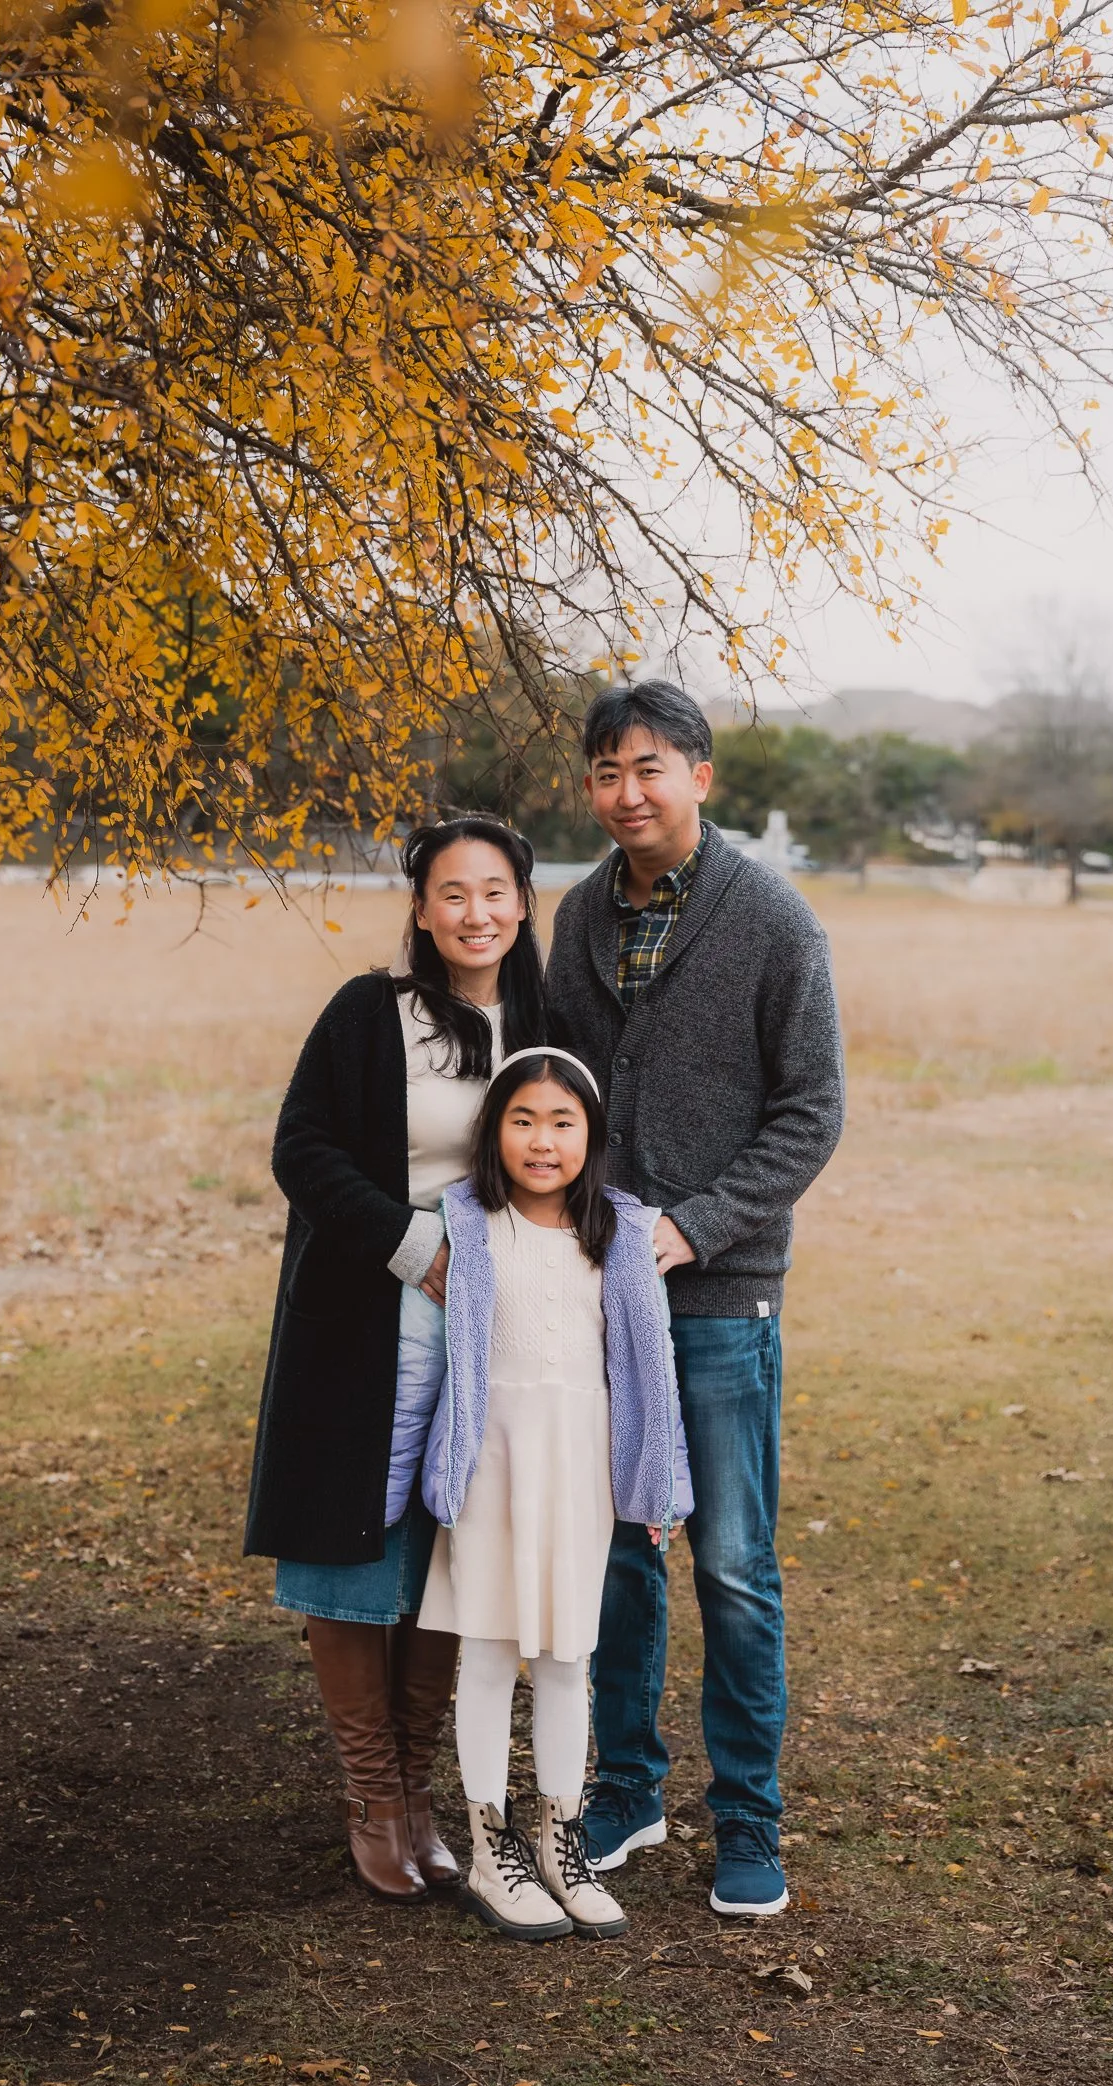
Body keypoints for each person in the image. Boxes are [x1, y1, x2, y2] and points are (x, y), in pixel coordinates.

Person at [544, 679, 845, 1917]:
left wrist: (694, 1226)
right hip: (599, 1293)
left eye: (650, 767)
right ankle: (626, 1786)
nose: (628, 792)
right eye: (607, 771)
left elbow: (811, 1111)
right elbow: (556, 1082)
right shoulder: (578, 918)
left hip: (725, 1299)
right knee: (617, 1553)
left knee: (730, 1560)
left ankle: (750, 1820)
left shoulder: (774, 921)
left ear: (701, 777)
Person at [243, 818, 546, 1902]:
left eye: (496, 890)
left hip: (495, 1313)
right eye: (453, 893)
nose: (476, 911)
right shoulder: (373, 1014)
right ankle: (371, 1793)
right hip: (369, 1308)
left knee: (446, 1548)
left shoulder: (545, 1023)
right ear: (422, 909)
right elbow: (303, 1147)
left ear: (522, 901)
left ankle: (420, 1793)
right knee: (353, 1543)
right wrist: (409, 1242)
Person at [409, 1049, 694, 1940]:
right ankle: (491, 1844)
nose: (542, 1140)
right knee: (491, 1654)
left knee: (569, 1657)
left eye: (562, 1122)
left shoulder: (619, 1234)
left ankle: (559, 1839)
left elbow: (650, 1376)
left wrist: (656, 1483)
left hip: (578, 1466)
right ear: (494, 1132)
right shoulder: (467, 1225)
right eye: (522, 1119)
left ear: (592, 1136)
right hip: (492, 1461)